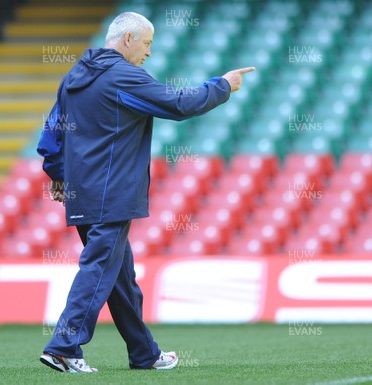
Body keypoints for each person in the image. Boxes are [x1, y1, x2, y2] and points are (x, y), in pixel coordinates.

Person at [36, 11, 255, 373]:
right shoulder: (122, 76)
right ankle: (64, 346)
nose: (149, 53)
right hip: (112, 192)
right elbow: (180, 104)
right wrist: (222, 86)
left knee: (119, 277)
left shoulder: (74, 75)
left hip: (84, 192)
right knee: (98, 267)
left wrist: (58, 174)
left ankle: (144, 353)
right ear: (127, 40)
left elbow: (52, 132)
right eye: (147, 43)